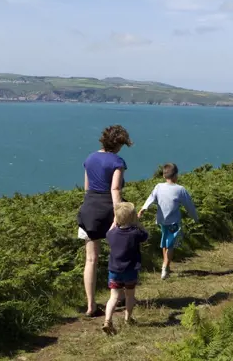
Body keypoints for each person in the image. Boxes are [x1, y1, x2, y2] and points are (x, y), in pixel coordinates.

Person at [77, 125, 133, 317]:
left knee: (91, 259)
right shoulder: (117, 161)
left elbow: (87, 188)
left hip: (89, 209)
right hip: (109, 209)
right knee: (120, 254)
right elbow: (115, 189)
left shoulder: (90, 158)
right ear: (118, 144)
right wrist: (118, 215)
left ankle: (91, 305)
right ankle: (120, 296)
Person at [139, 163, 198, 280]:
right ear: (176, 175)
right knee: (170, 245)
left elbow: (151, 198)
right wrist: (195, 217)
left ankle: (167, 266)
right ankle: (165, 267)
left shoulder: (158, 187)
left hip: (162, 220)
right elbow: (189, 205)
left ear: (164, 175)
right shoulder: (180, 189)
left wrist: (143, 209)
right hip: (174, 222)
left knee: (165, 242)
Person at [103, 202, 149, 335]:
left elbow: (111, 230)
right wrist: (139, 224)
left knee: (113, 297)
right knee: (129, 296)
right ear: (133, 217)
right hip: (130, 271)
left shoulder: (111, 234)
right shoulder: (135, 233)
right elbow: (145, 235)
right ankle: (128, 319)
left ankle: (107, 321)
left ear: (116, 218)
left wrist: (115, 221)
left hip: (114, 271)